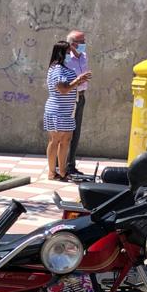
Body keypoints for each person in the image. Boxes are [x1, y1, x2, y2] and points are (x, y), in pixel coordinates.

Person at [43, 40, 90, 181]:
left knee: (65, 140)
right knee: (55, 140)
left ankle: (62, 172)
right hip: (57, 111)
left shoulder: (63, 67)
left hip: (66, 111)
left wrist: (78, 81)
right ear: (62, 53)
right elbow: (62, 88)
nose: (71, 54)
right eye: (69, 52)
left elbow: (67, 85)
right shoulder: (57, 68)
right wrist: (77, 81)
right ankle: (52, 172)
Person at [65, 29, 88, 176]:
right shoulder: (66, 58)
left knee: (76, 132)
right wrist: (78, 81)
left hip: (81, 96)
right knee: (65, 133)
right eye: (82, 42)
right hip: (70, 97)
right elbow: (63, 81)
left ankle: (70, 164)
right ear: (73, 44)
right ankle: (60, 165)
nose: (84, 44)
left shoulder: (84, 56)